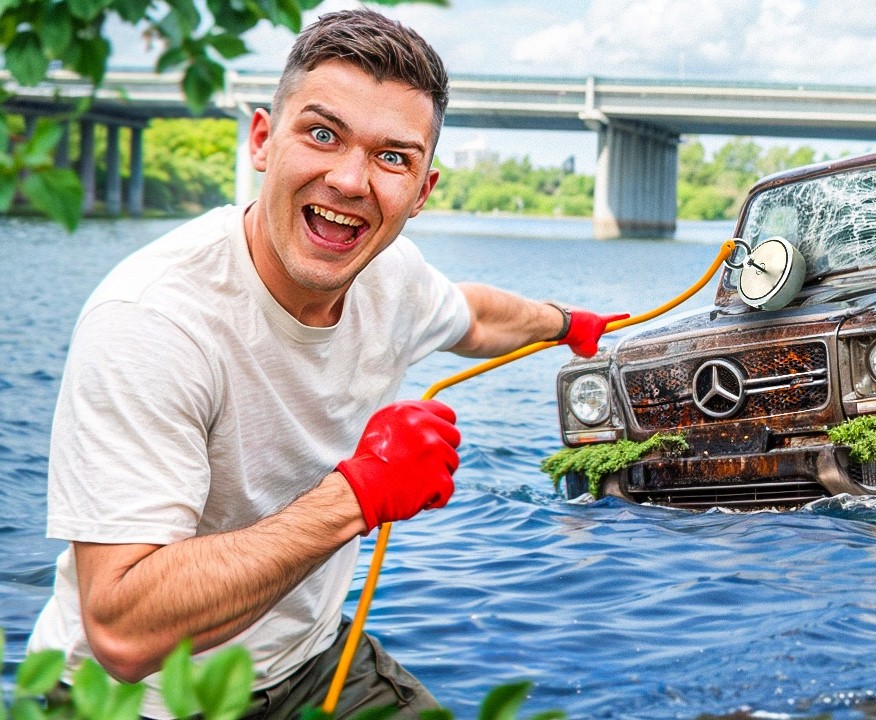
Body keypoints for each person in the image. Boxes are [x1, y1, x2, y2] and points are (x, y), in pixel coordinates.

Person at [27, 9, 624, 719]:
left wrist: (567, 324)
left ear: (422, 191)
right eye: (322, 134)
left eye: (392, 157)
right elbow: (122, 630)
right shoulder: (153, 321)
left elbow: (475, 315)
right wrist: (362, 493)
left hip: (311, 666)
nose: (348, 179)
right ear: (261, 140)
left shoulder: (390, 276)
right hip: (130, 699)